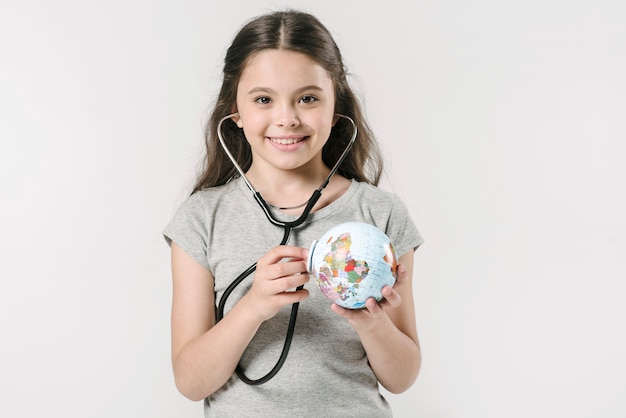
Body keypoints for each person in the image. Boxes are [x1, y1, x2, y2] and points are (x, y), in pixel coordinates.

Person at [163, 9, 424, 417]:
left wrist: (370, 322)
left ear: (336, 103)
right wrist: (254, 306)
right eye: (264, 99)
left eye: (307, 98)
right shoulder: (202, 219)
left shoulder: (381, 214)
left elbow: (403, 377)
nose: (287, 118)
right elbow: (191, 381)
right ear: (236, 110)